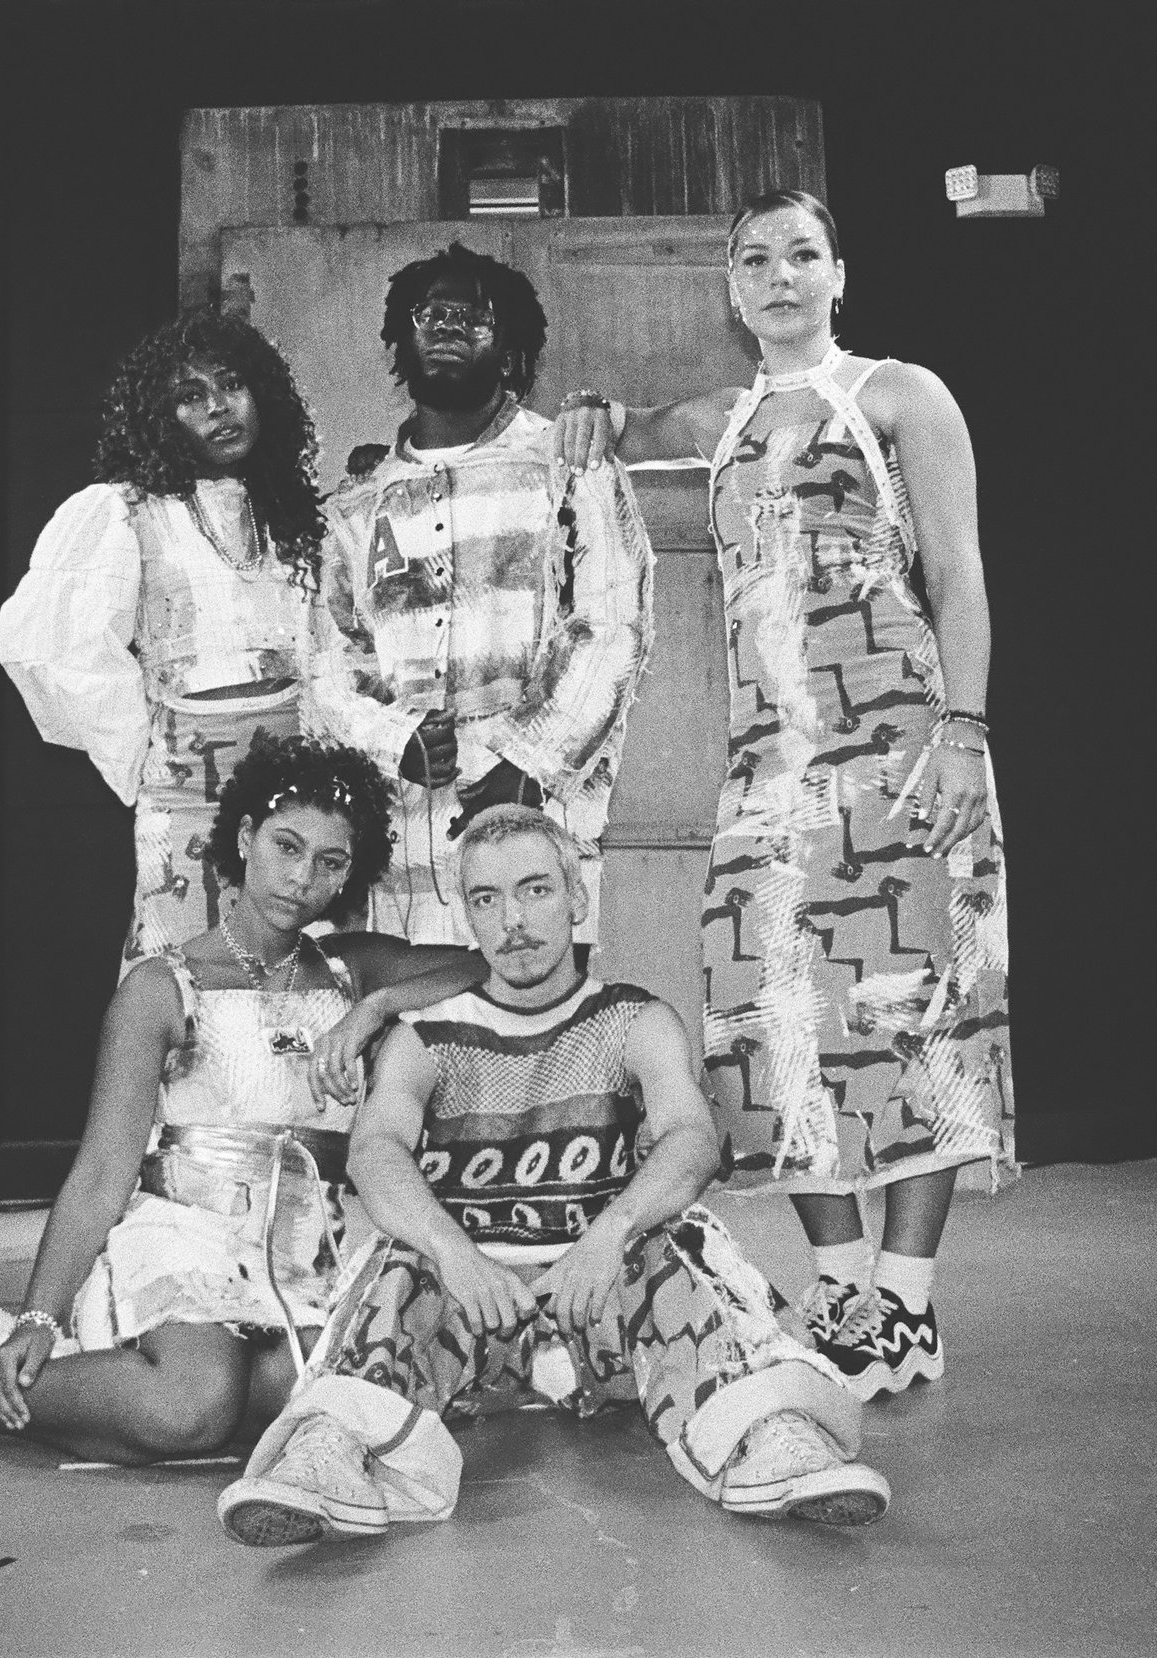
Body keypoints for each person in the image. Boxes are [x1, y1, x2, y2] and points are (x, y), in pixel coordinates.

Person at [559, 188, 1015, 1400]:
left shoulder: (899, 395)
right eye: (754, 259)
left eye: (801, 255)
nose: (778, 276)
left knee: (914, 1018)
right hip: (767, 768)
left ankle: (906, 1304)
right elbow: (627, 425)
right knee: (777, 1023)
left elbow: (958, 572)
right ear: (729, 286)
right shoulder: (723, 416)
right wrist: (593, 414)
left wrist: (963, 732)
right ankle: (843, 1287)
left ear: (838, 273)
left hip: (898, 747)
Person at [0, 735, 487, 1464]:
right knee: (192, 1406)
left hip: (310, 1250)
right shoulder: (163, 986)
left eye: (330, 863)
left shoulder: (352, 970)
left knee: (339, 1394)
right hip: (185, 1234)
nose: (302, 878)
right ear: (245, 838)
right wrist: (38, 1316)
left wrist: (376, 1006)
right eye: (286, 846)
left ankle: (83, 1374)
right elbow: (102, 1171)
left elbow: (491, 964)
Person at [215, 806, 889, 1545]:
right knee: (401, 1264)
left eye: (535, 890)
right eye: (487, 899)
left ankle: (773, 1438)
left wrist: (610, 1233)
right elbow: (375, 1154)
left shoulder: (633, 1019)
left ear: (576, 899)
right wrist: (455, 1254)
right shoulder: (425, 1037)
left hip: (601, 1301)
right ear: (469, 917)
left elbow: (692, 1139)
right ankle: (329, 1455)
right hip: (474, 1310)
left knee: (679, 1243)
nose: (513, 920)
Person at [304, 243, 654, 945]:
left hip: (542, 817)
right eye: (429, 313)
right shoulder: (356, 505)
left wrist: (527, 762)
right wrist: (394, 740)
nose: (448, 326)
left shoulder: (568, 466)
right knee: (409, 1006)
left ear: (512, 345)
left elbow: (612, 627)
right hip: (399, 847)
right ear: (401, 337)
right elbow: (329, 661)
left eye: (475, 316)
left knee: (538, 1001)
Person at [0, 309, 329, 975]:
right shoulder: (128, 509)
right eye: (190, 396)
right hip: (189, 789)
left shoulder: (290, 513)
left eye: (231, 385)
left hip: (298, 787)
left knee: (299, 975)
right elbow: (49, 646)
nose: (218, 408)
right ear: (159, 416)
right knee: (190, 975)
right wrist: (146, 746)